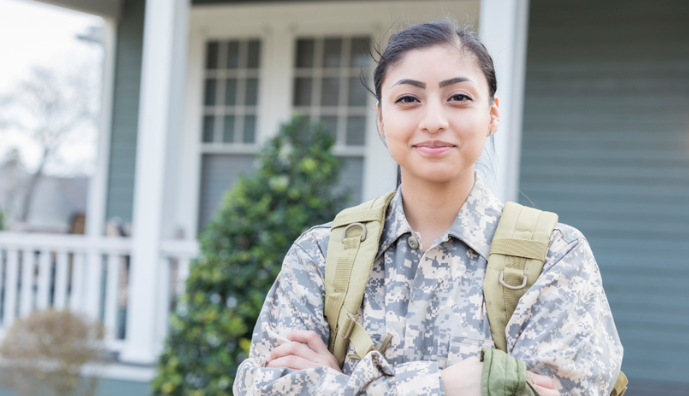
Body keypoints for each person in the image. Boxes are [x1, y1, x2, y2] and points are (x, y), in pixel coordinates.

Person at [234, 21, 623, 396]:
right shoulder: (320, 256)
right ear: (381, 119)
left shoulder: (554, 255)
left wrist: (338, 383)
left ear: (492, 114)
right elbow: (261, 387)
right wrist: (451, 387)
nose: (434, 121)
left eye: (458, 97)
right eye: (408, 99)